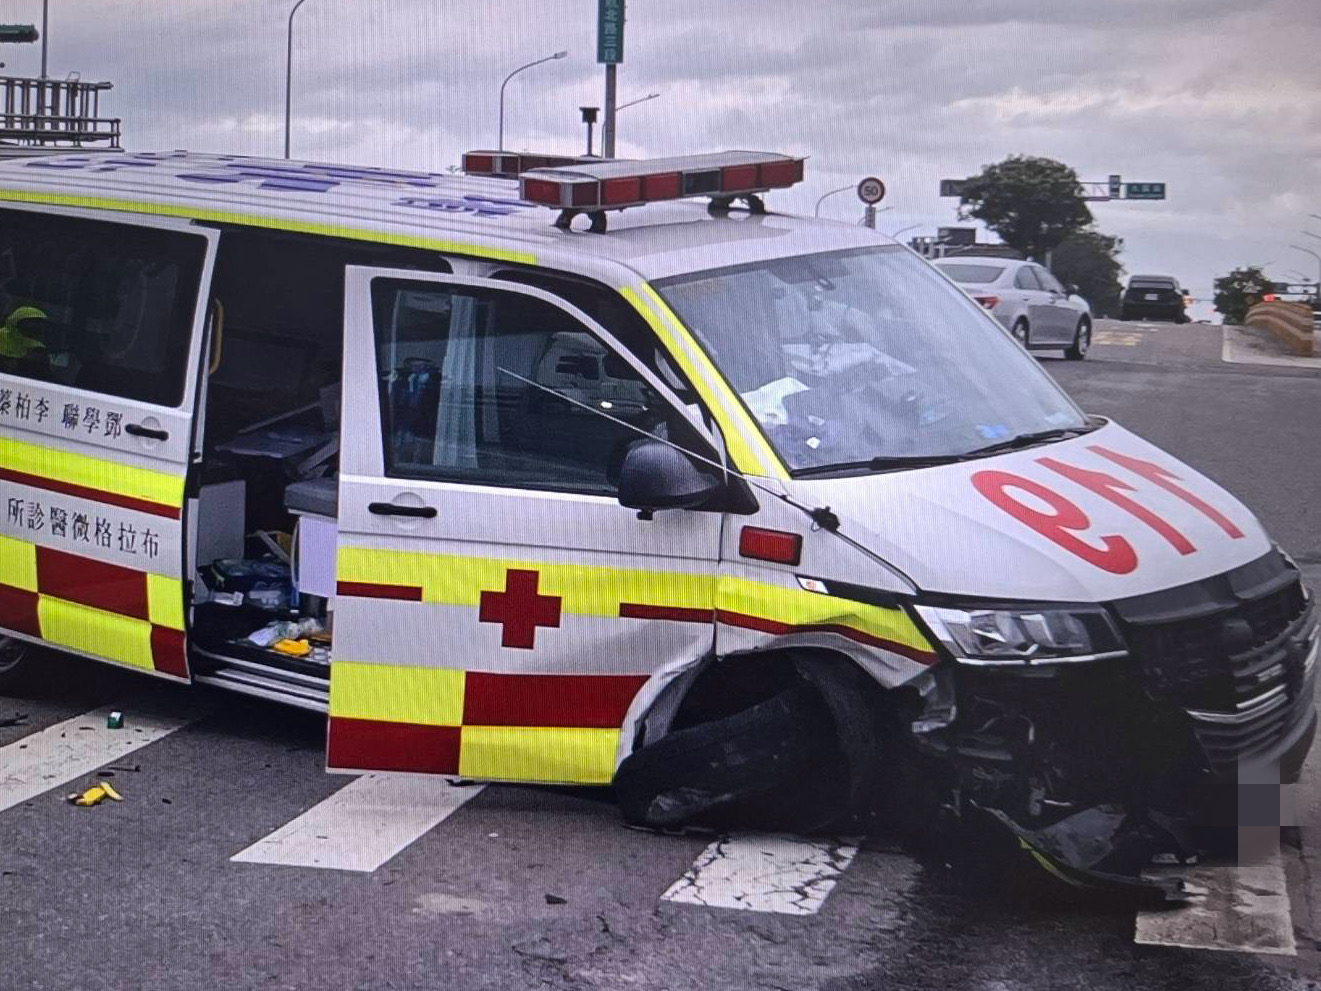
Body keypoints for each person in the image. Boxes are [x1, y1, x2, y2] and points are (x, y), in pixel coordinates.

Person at [0, 305, 49, 376]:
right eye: (30, 323)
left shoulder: (38, 347)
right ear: (16, 322)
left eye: (37, 323)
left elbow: (45, 375)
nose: (33, 327)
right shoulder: (1, 335)